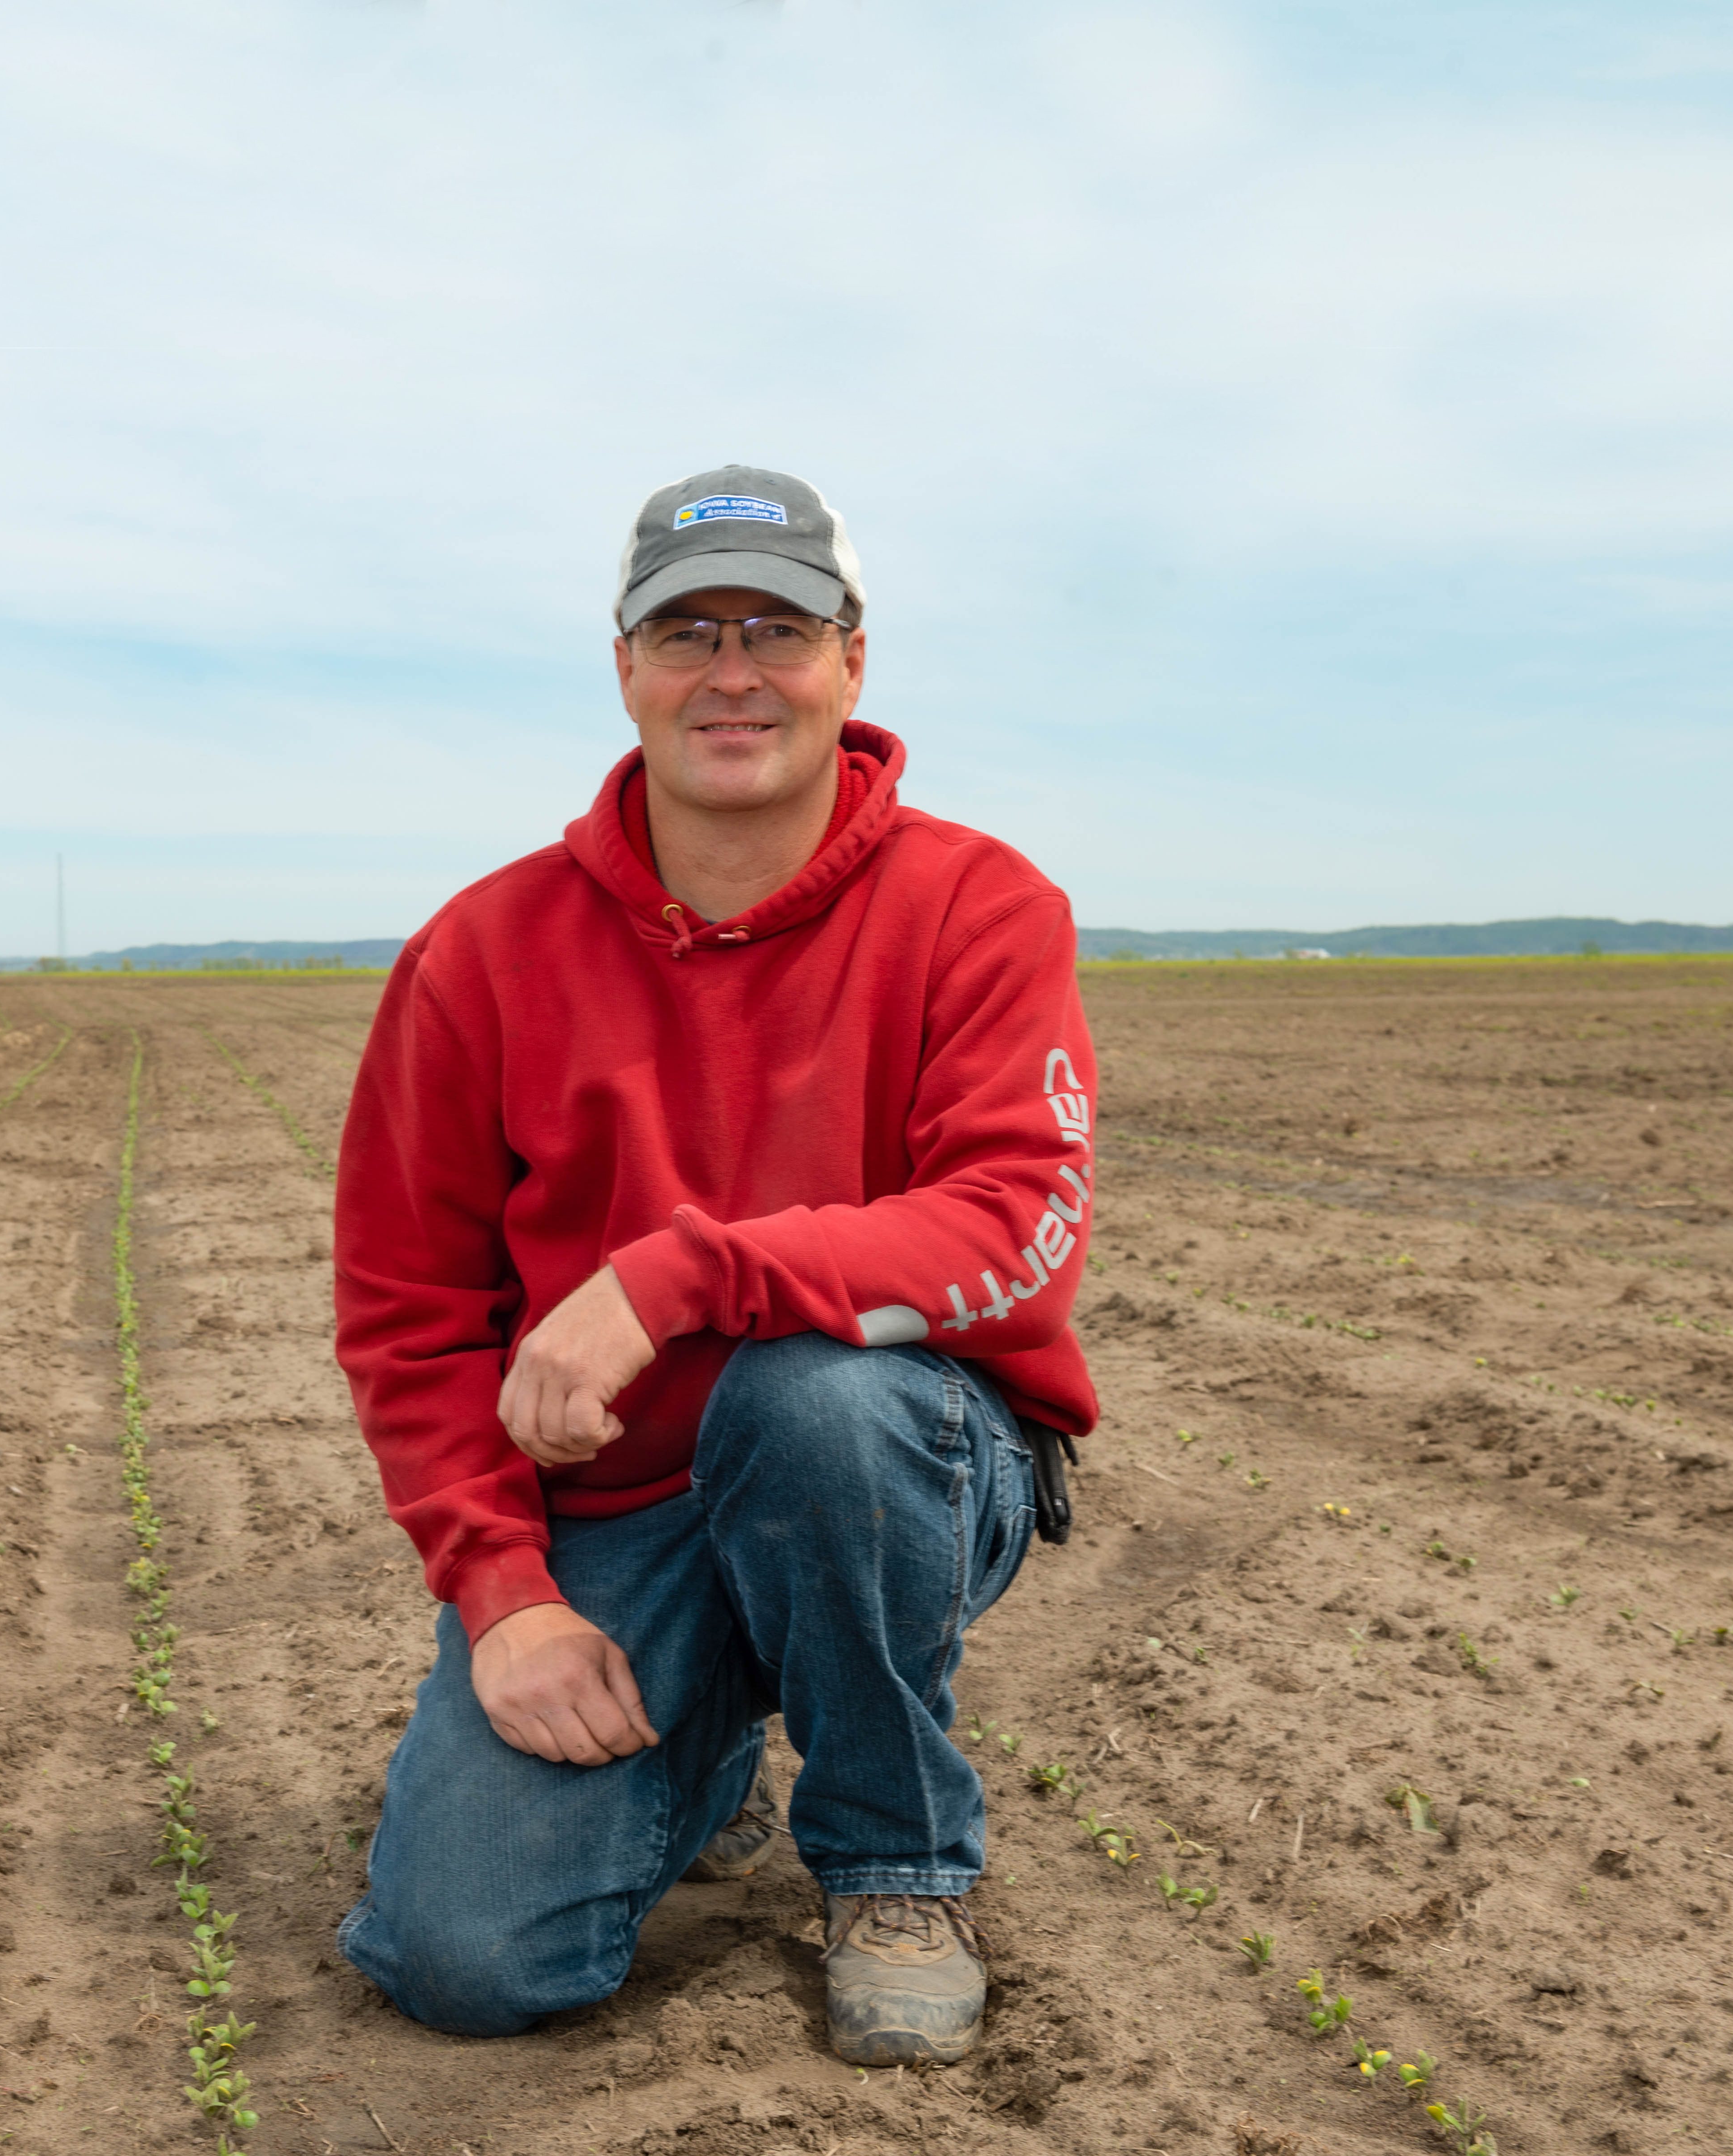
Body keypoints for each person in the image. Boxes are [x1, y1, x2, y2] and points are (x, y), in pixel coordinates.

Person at [331, 464, 1098, 2066]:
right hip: (620, 1509)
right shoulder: (479, 956)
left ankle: (895, 1860)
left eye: (778, 626)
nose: (732, 671)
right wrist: (504, 1595)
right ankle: (706, 1735)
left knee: (815, 1406)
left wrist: (669, 1281)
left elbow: (1013, 1238)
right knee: (465, 1956)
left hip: (904, 1463)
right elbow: (409, 1318)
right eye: (686, 632)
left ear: (852, 661)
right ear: (624, 667)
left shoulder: (979, 907)